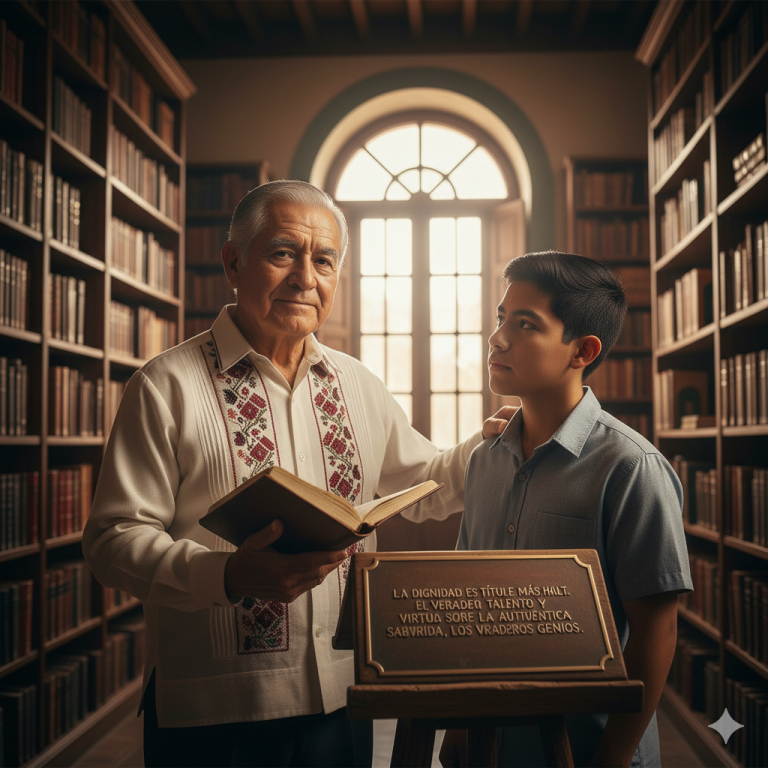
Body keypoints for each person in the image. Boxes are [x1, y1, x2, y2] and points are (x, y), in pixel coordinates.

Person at [83, 180, 513, 768]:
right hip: (214, 711)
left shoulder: (358, 383)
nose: (305, 278)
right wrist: (227, 574)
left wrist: (494, 442)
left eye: (324, 260)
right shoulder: (165, 385)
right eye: (283, 253)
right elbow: (112, 541)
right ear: (233, 263)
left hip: (341, 694)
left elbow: (426, 483)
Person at [440, 251, 693, 768]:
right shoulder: (484, 460)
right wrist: (460, 722)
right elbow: (467, 603)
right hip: (491, 744)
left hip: (589, 745)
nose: (497, 339)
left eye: (525, 324)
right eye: (501, 318)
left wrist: (613, 757)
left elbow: (656, 631)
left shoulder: (631, 467)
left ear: (582, 350)